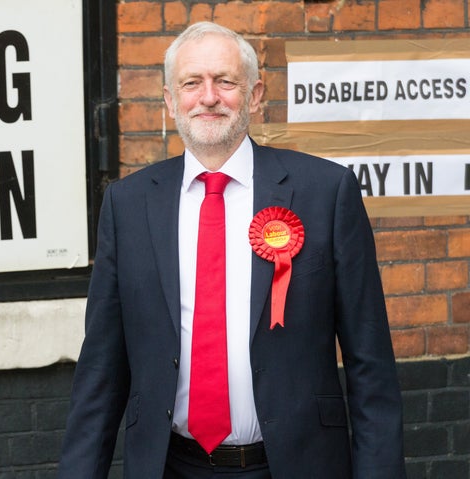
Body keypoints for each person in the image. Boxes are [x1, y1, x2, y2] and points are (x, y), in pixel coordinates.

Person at [57, 21, 406, 479]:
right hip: (169, 466)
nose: (208, 97)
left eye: (225, 81)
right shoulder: (128, 205)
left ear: (256, 95)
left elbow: (370, 366)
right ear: (169, 99)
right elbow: (101, 371)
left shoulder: (325, 192)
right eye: (191, 83)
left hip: (295, 465)